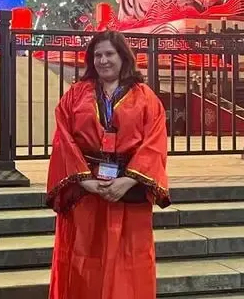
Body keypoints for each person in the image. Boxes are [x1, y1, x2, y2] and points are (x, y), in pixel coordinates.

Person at [46, 30, 170, 299]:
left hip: (128, 190)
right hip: (86, 194)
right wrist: (85, 181)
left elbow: (155, 142)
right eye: (97, 55)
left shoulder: (145, 97)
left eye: (109, 54)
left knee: (129, 263)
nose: (103, 60)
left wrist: (128, 180)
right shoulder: (75, 95)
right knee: (82, 260)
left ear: (123, 57)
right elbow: (63, 139)